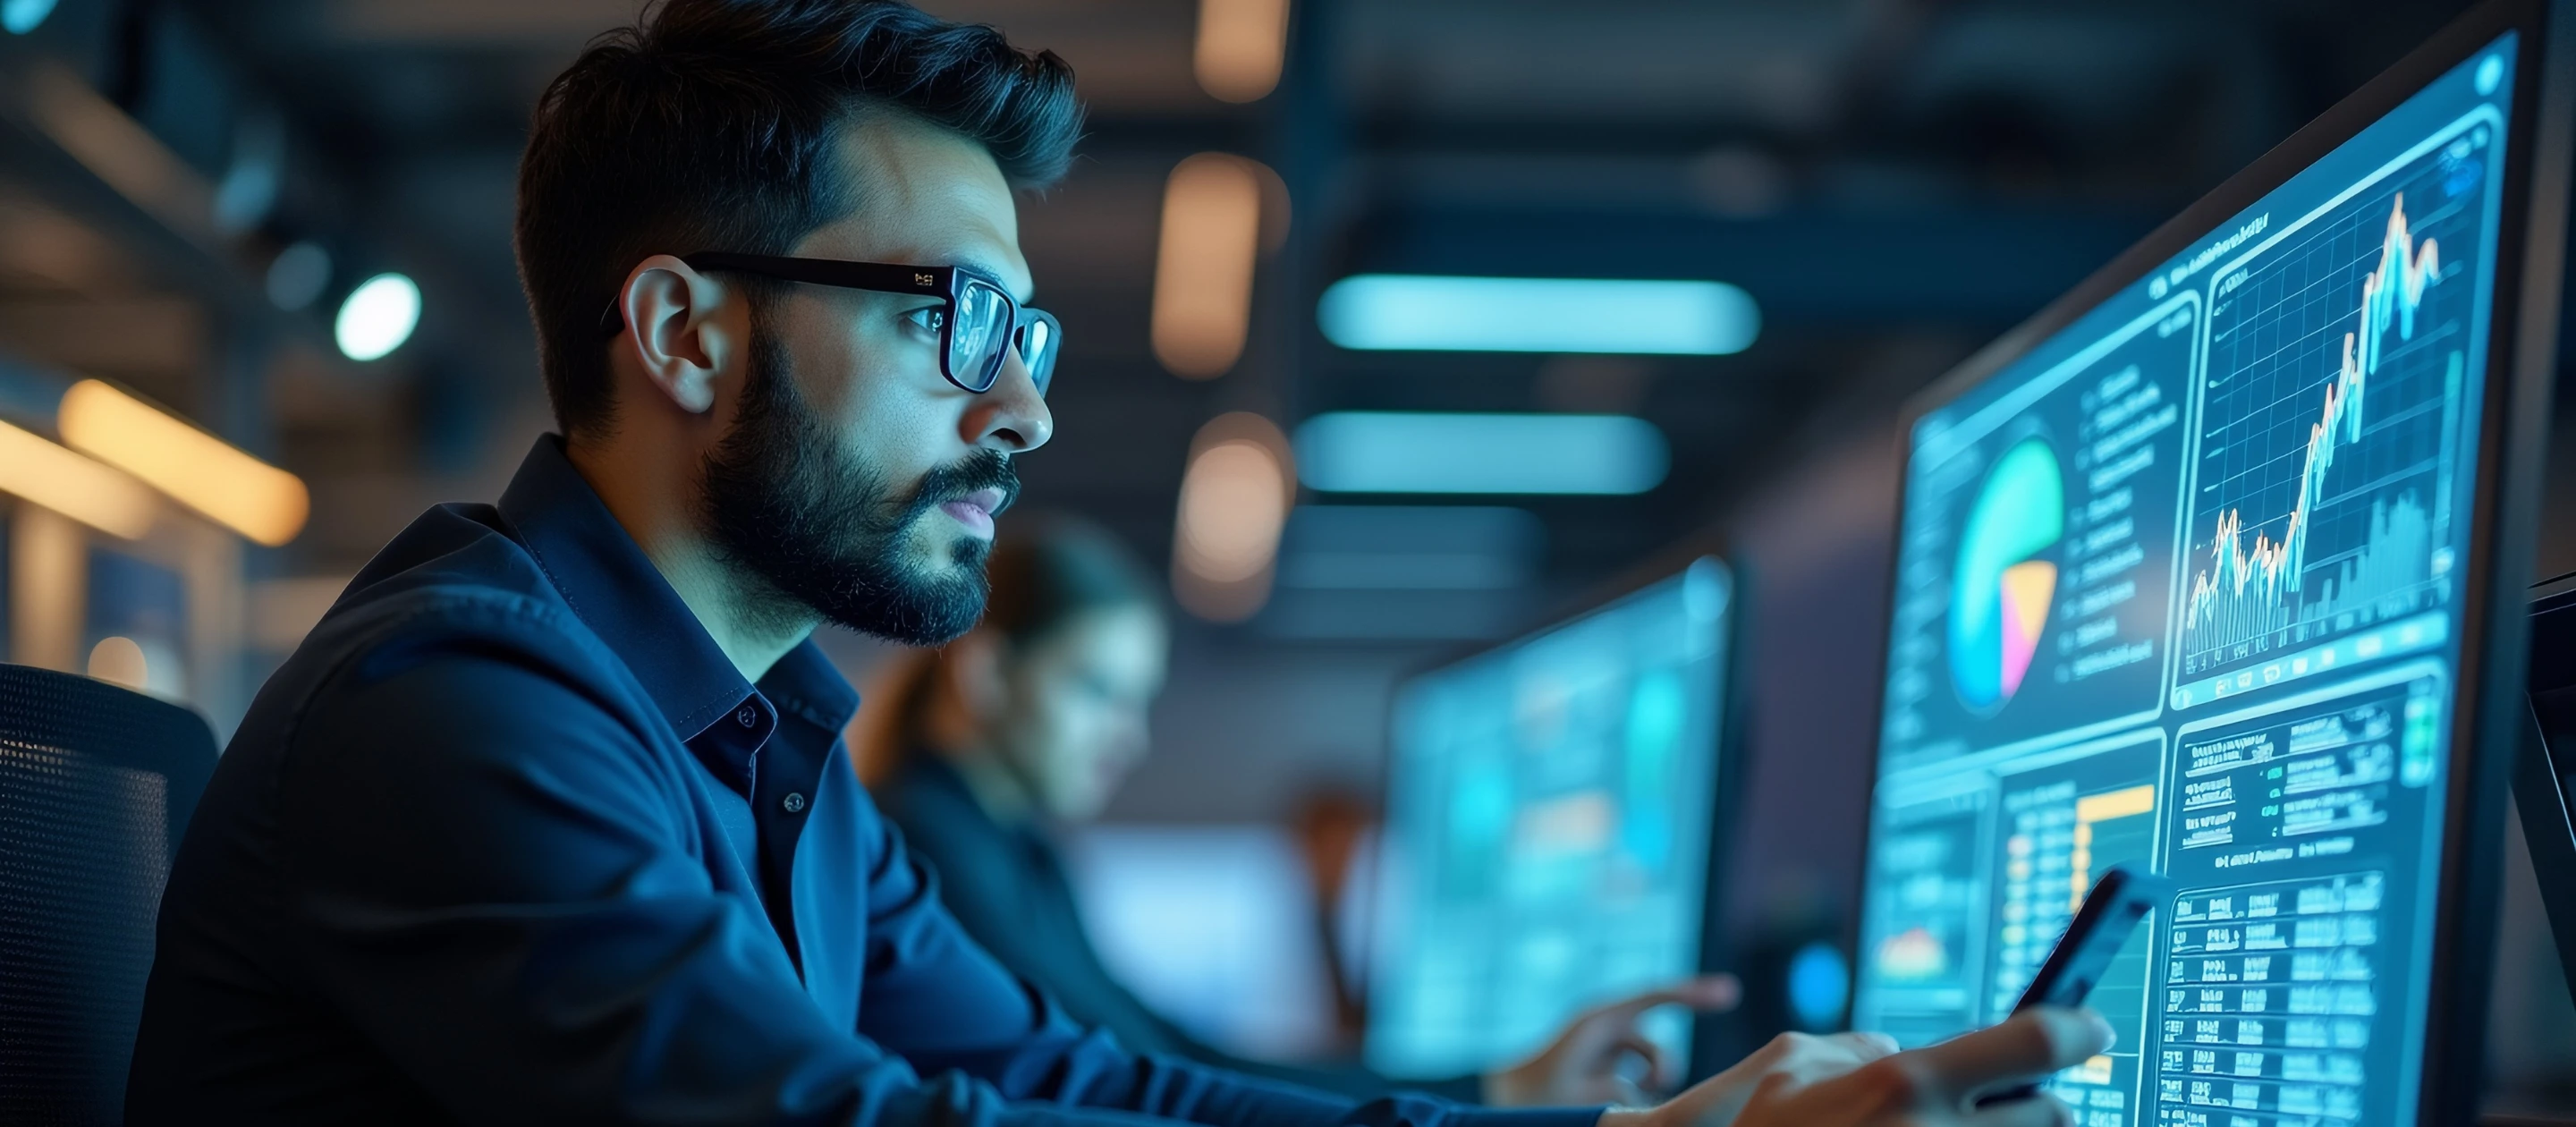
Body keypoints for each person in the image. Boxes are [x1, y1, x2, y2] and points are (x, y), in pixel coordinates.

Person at [123, 2, 2113, 1124]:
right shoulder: (460, 706)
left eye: (1032, 339)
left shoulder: (769, 749)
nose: (1024, 415)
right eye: (951, 323)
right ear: (686, 332)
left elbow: (1070, 1078)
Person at [866, 518, 1733, 1108]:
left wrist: (1491, 1093)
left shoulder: (1016, 853)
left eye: (1139, 705)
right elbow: (1140, 1079)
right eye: (1098, 693)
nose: (1128, 741)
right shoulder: (926, 854)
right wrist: (1495, 1098)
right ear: (982, 675)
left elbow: (1167, 1050)